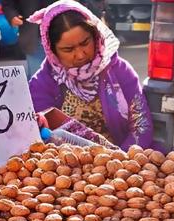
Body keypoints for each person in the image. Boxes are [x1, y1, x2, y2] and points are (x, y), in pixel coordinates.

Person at [28, 0, 153, 151]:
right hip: (68, 168)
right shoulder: (42, 84)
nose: (80, 55)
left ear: (96, 36)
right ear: (52, 51)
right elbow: (41, 137)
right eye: (68, 49)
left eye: (85, 42)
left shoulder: (119, 71)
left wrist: (123, 160)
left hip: (126, 162)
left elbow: (141, 124)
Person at [1, 0, 55, 78]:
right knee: (38, 78)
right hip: (33, 37)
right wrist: (12, 16)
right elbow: (8, 4)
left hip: (63, 32)